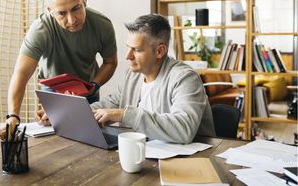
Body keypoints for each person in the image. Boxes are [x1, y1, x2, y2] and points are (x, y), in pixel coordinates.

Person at [0, 0, 118, 138]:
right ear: (49, 11)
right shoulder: (40, 29)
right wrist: (13, 117)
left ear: (84, 0)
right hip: (53, 92)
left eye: (76, 8)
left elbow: (110, 62)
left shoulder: (102, 25)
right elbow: (21, 74)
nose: (72, 20)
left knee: (91, 138)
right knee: (53, 139)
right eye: (62, 13)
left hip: (88, 88)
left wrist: (92, 86)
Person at [91, 14, 215, 144]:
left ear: (160, 51)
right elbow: (111, 103)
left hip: (191, 159)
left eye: (137, 50)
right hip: (147, 152)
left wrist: (124, 115)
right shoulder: (133, 75)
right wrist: (79, 111)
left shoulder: (185, 78)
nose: (128, 56)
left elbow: (184, 129)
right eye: (128, 47)